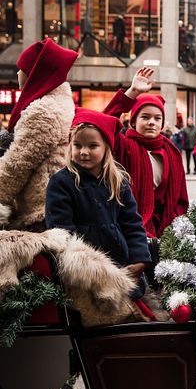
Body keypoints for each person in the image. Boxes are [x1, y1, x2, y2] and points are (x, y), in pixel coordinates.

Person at [45, 109, 152, 304]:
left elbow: (132, 223)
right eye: (77, 145)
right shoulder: (61, 182)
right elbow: (62, 232)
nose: (83, 152)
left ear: (106, 148)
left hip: (122, 263)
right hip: (85, 271)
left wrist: (139, 259)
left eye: (92, 146)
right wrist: (93, 270)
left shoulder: (118, 180)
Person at [0, 39, 77, 231]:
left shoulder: (43, 111)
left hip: (38, 212)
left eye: (22, 69)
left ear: (33, 74)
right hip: (54, 204)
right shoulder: (61, 103)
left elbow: (17, 166)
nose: (18, 73)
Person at [103, 69, 189, 237]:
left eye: (157, 118)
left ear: (163, 124)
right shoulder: (122, 145)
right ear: (134, 121)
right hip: (126, 230)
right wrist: (132, 92)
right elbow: (103, 123)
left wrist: (173, 230)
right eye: (145, 117)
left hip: (165, 231)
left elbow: (180, 198)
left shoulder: (171, 151)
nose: (152, 122)